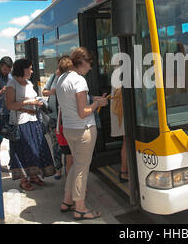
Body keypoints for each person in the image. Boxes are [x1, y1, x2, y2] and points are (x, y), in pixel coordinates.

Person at [56, 47, 108, 220]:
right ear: (83, 62)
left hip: (69, 129)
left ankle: (66, 200)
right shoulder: (79, 81)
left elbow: (71, 105)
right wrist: (97, 103)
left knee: (76, 165)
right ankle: (80, 208)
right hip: (83, 129)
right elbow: (83, 111)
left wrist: (92, 101)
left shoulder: (62, 77)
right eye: (90, 63)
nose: (91, 67)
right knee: (81, 170)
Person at [5, 58, 55, 191]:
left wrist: (37, 101)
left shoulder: (28, 82)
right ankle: (23, 179)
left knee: (35, 149)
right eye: (30, 68)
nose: (32, 71)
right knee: (23, 150)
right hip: (21, 123)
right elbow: (10, 105)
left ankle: (33, 176)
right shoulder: (12, 84)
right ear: (23, 69)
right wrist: (28, 102)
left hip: (33, 120)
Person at [42, 56, 69, 179]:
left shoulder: (71, 77)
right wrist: (52, 91)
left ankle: (69, 169)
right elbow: (44, 92)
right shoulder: (54, 76)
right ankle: (58, 169)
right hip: (54, 117)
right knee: (56, 144)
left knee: (68, 145)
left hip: (67, 117)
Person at [110, 87, 128, 182]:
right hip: (126, 112)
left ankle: (124, 171)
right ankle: (124, 171)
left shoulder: (118, 74)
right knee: (127, 142)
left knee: (126, 142)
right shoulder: (123, 74)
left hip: (122, 112)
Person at [0, 56, 13, 136]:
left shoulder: (10, 76)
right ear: (0, 66)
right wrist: (2, 91)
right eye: (5, 70)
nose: (7, 72)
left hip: (9, 111)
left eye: (9, 70)